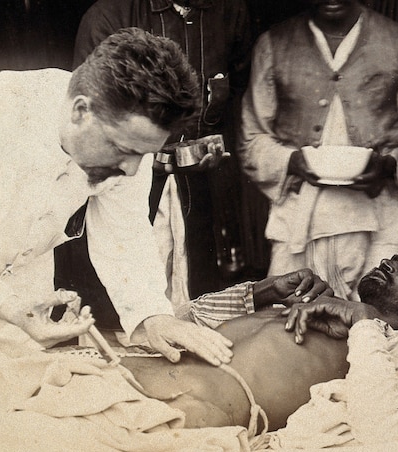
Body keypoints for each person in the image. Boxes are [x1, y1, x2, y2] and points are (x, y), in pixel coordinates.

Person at [0, 28, 236, 407]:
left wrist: (154, 316)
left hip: (19, 253)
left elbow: (127, 235)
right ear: (80, 111)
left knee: (19, 381)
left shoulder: (123, 145)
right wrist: (0, 305)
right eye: (124, 150)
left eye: (144, 153)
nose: (134, 169)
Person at [125, 250, 398, 438]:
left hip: (179, 413)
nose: (388, 264)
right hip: (134, 371)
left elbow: (392, 431)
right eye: (395, 259)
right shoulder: (323, 304)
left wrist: (363, 322)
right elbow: (170, 324)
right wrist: (263, 292)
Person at [56, 0, 254, 328]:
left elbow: (236, 93)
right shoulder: (108, 16)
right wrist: (158, 156)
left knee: (187, 296)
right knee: (110, 316)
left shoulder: (230, 13)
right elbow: (95, 130)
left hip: (192, 193)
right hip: (112, 186)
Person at [239, 0, 398, 301]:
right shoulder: (273, 45)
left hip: (382, 219)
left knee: (378, 323)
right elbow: (251, 140)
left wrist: (390, 165)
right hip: (298, 222)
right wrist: (291, 160)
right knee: (292, 324)